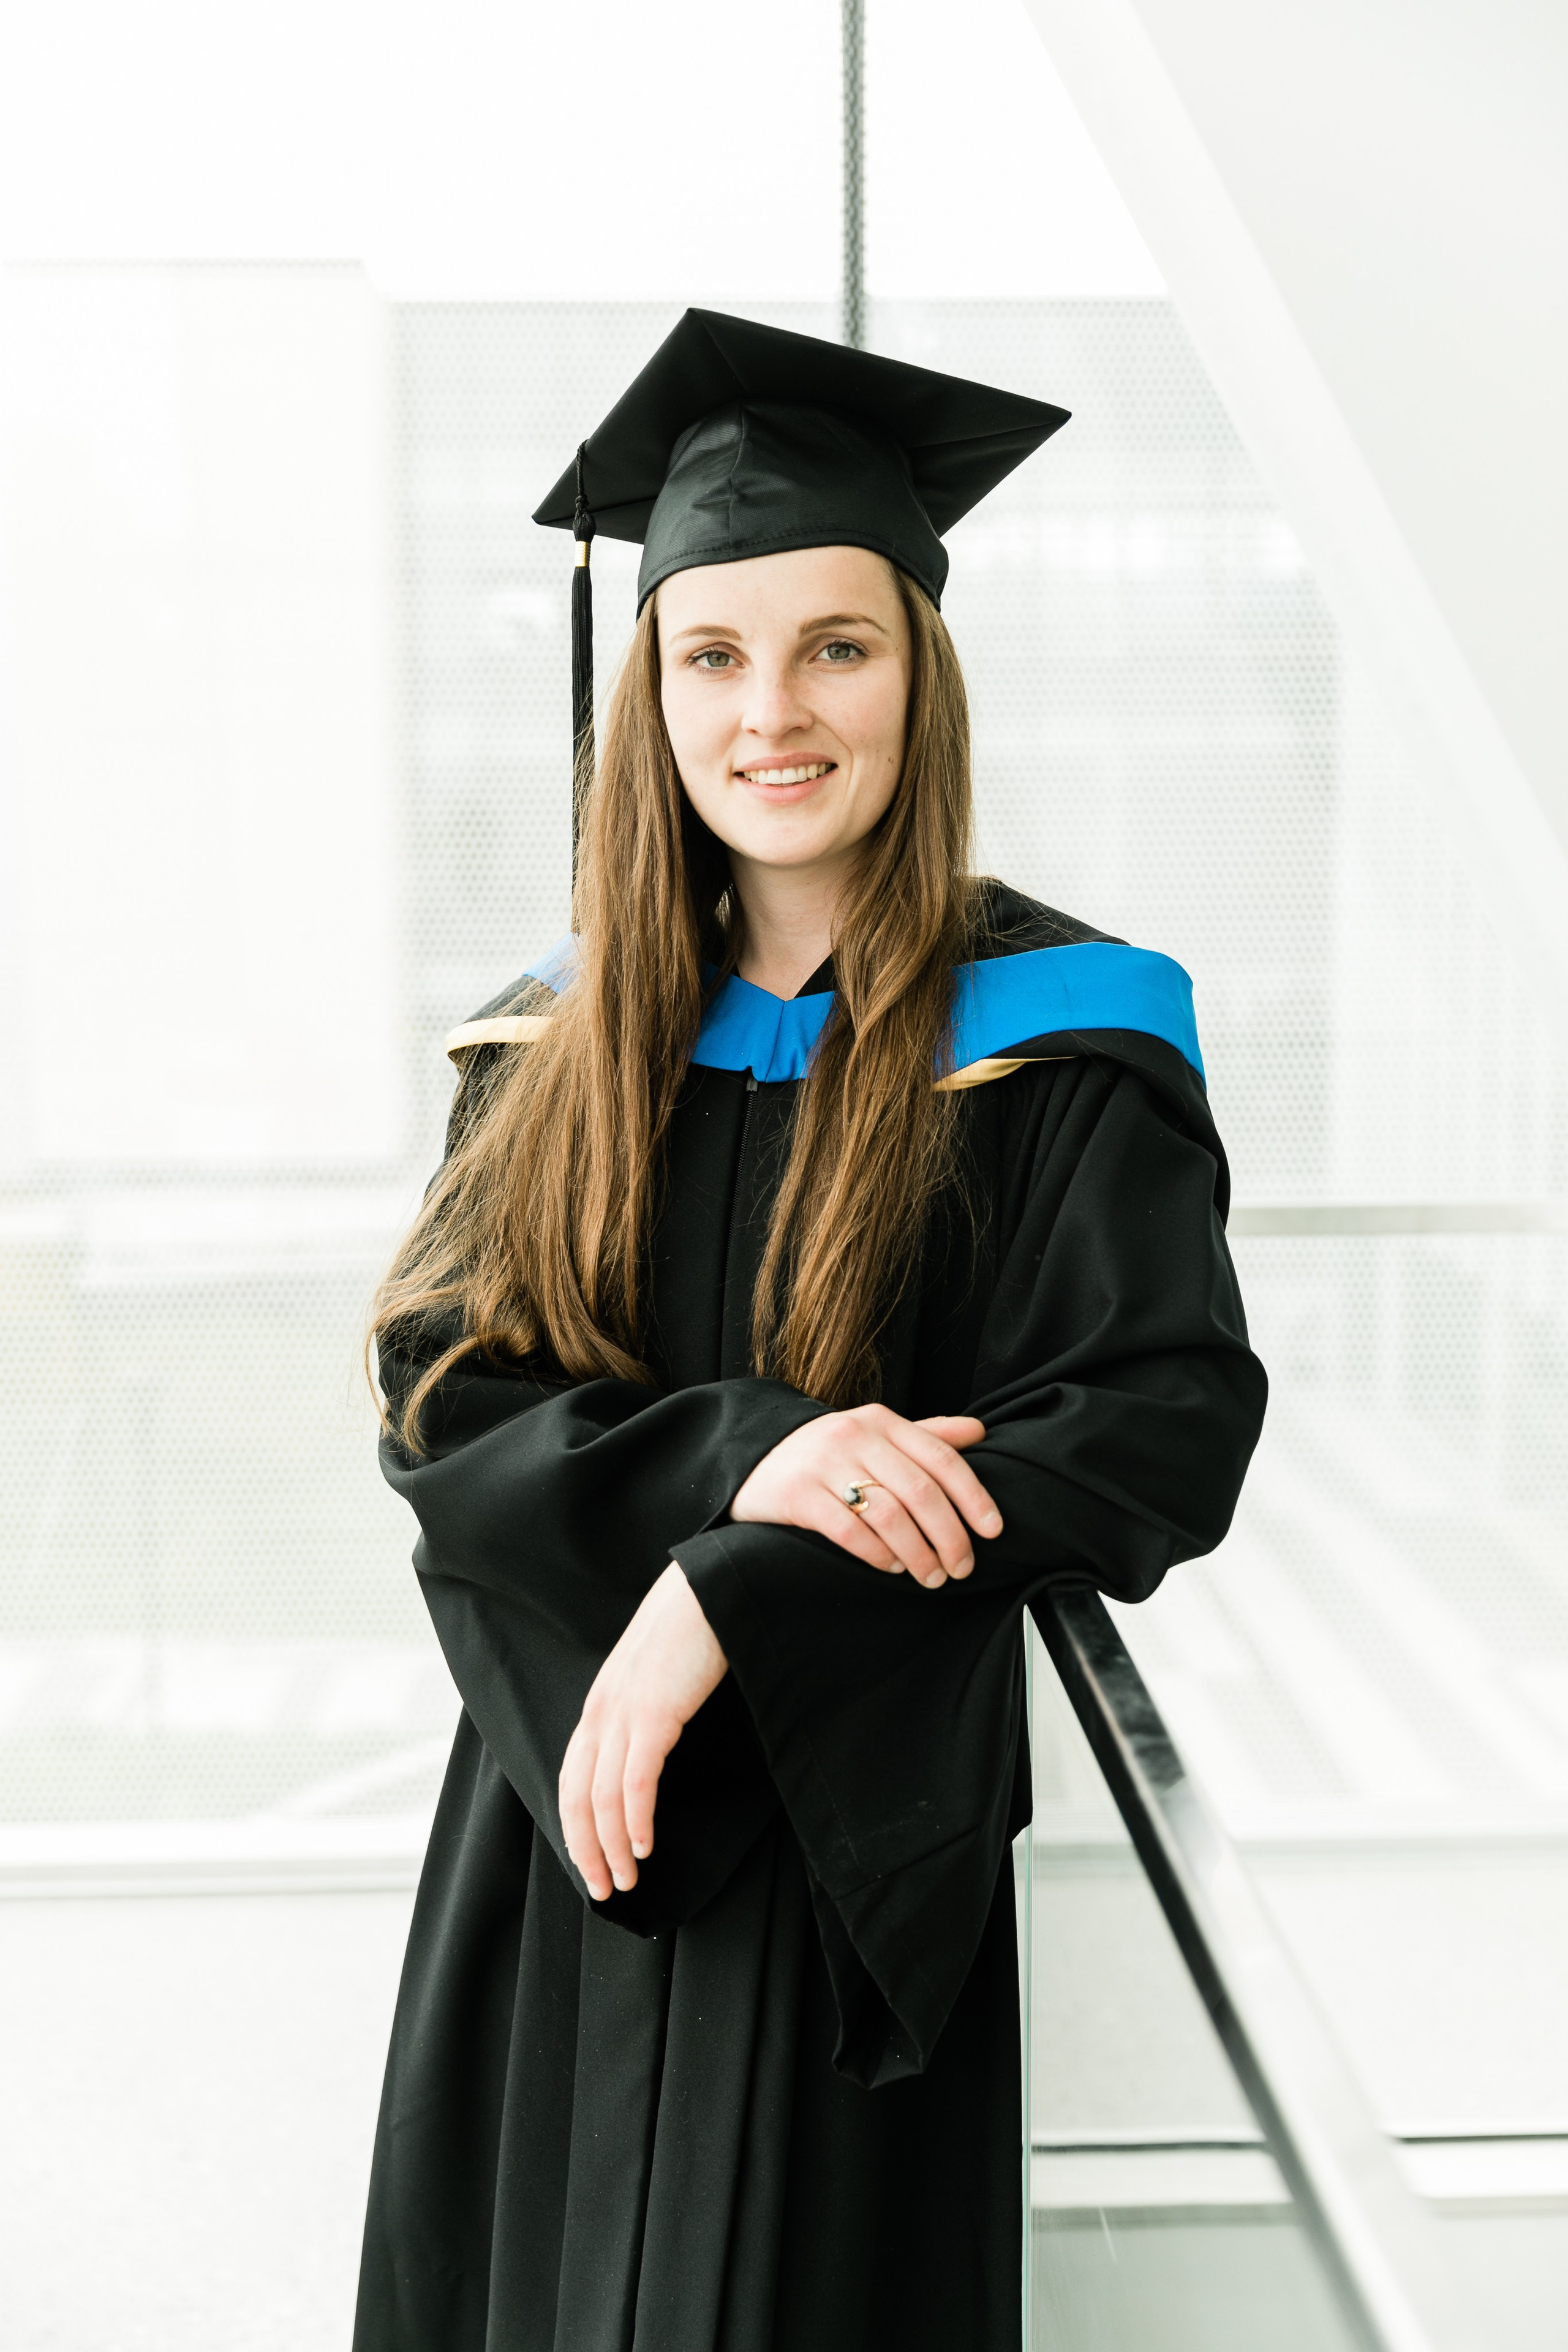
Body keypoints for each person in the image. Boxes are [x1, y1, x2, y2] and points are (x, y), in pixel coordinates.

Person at [354, 310, 1267, 2352]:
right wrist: (749, 1455)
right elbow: (445, 1396)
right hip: (566, 1817)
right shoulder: (549, 1045)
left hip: (854, 1850)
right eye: (713, 654)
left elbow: (1153, 1423)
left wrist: (733, 1590)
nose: (773, 709)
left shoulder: (1069, 1036)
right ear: (652, 693)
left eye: (835, 646)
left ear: (918, 672)